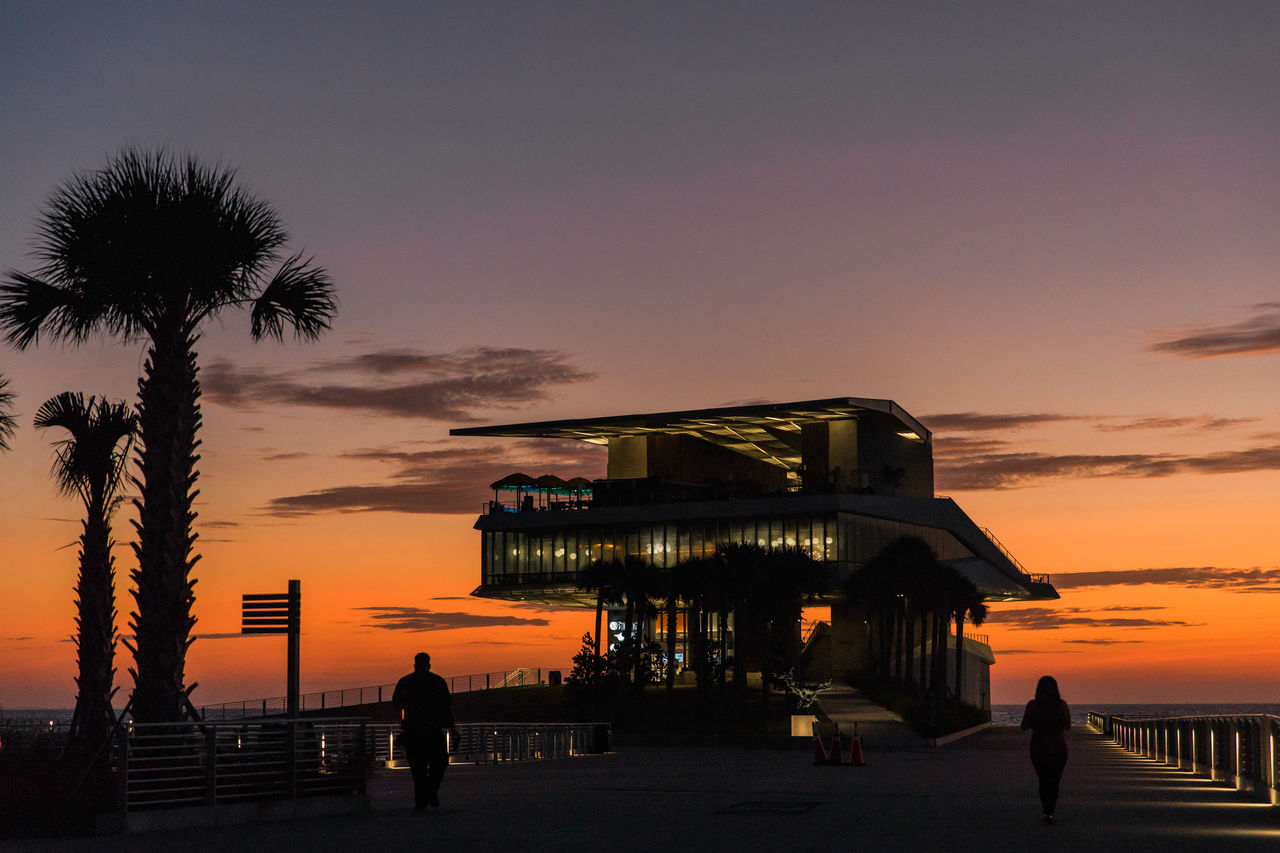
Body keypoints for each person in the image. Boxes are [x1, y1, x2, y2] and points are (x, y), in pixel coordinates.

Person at [392, 652, 457, 809]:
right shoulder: (437, 682)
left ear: (415, 665)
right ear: (429, 665)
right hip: (434, 731)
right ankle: (431, 789)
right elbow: (447, 707)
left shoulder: (405, 682)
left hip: (413, 732)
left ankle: (421, 801)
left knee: (418, 769)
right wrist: (452, 727)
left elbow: (396, 704)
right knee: (439, 763)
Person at [1020, 675, 1071, 825]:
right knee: (1054, 782)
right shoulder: (1061, 705)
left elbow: (1024, 726)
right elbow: (1068, 726)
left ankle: (1046, 811)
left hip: (1038, 750)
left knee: (1043, 781)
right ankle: (1050, 812)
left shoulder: (1033, 705)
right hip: (1058, 749)